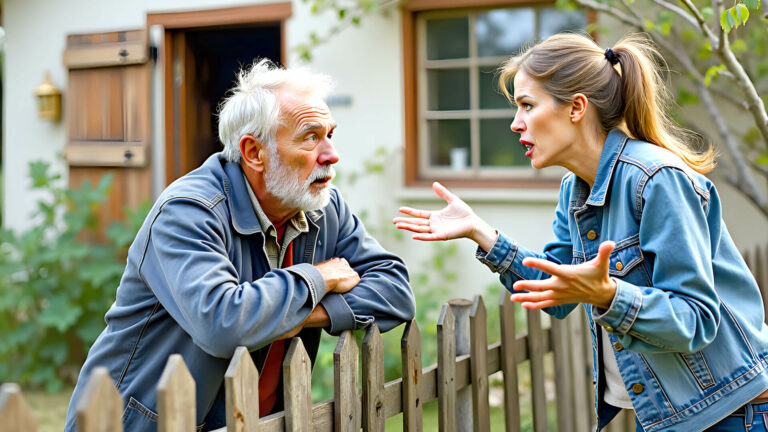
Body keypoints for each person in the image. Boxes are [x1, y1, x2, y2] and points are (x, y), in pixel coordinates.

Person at [394, 33, 768, 431]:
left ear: (575, 108)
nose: (515, 122)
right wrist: (482, 233)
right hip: (676, 416)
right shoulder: (576, 188)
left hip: (733, 412)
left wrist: (608, 294)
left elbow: (695, 320)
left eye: (526, 105)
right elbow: (555, 295)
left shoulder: (657, 180)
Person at [64, 59, 416, 431]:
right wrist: (318, 278)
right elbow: (224, 325)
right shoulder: (188, 211)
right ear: (253, 152)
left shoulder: (323, 206)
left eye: (330, 134)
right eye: (311, 137)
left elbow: (395, 291)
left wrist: (284, 316)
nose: (331, 154)